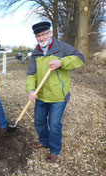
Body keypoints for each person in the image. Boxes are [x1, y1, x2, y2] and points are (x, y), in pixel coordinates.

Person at [26, 21, 85, 163]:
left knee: (54, 124)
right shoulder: (35, 53)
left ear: (50, 33)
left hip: (59, 96)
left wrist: (61, 62)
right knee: (39, 122)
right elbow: (31, 74)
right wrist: (31, 90)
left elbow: (80, 58)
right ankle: (44, 141)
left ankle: (55, 149)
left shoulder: (62, 48)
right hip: (41, 96)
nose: (42, 38)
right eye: (38, 36)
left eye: (44, 34)